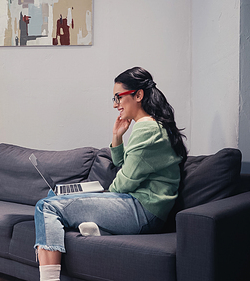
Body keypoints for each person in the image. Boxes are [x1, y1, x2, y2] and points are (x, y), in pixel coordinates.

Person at [34, 67, 188, 281]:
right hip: (145, 208)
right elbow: (130, 168)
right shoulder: (154, 127)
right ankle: (101, 230)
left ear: (138, 95)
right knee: (55, 198)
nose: (115, 104)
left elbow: (123, 182)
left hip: (142, 210)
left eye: (118, 97)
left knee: (46, 206)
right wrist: (117, 138)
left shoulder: (147, 130)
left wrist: (103, 194)